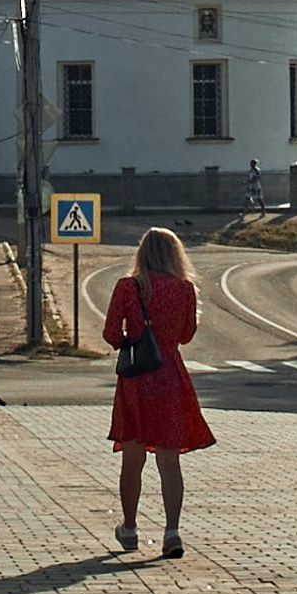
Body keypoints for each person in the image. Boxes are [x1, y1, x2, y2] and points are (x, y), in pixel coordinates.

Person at [103, 226, 214, 558]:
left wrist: (130, 339)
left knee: (132, 459)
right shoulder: (185, 289)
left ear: (142, 253)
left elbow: (111, 334)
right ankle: (172, 532)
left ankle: (130, 528)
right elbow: (186, 335)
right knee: (169, 460)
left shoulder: (128, 287)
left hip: (137, 378)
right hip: (169, 376)